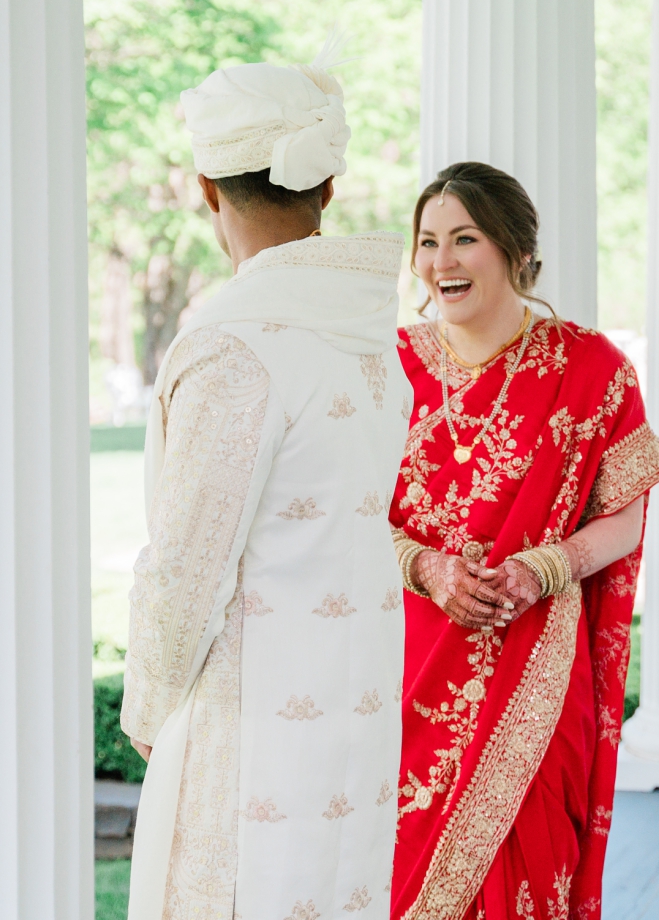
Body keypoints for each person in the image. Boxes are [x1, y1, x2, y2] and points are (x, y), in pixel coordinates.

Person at [123, 60, 410, 918]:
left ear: (206, 189)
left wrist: (147, 707)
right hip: (352, 708)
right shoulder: (370, 342)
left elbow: (184, 570)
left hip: (251, 735)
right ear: (327, 185)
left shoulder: (232, 349)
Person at [388, 162, 659, 919]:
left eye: (465, 239)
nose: (441, 262)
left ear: (514, 248)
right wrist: (424, 565)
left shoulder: (591, 368)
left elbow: (626, 518)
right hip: (404, 676)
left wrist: (545, 567)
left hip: (536, 682)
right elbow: (344, 517)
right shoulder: (387, 371)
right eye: (427, 242)